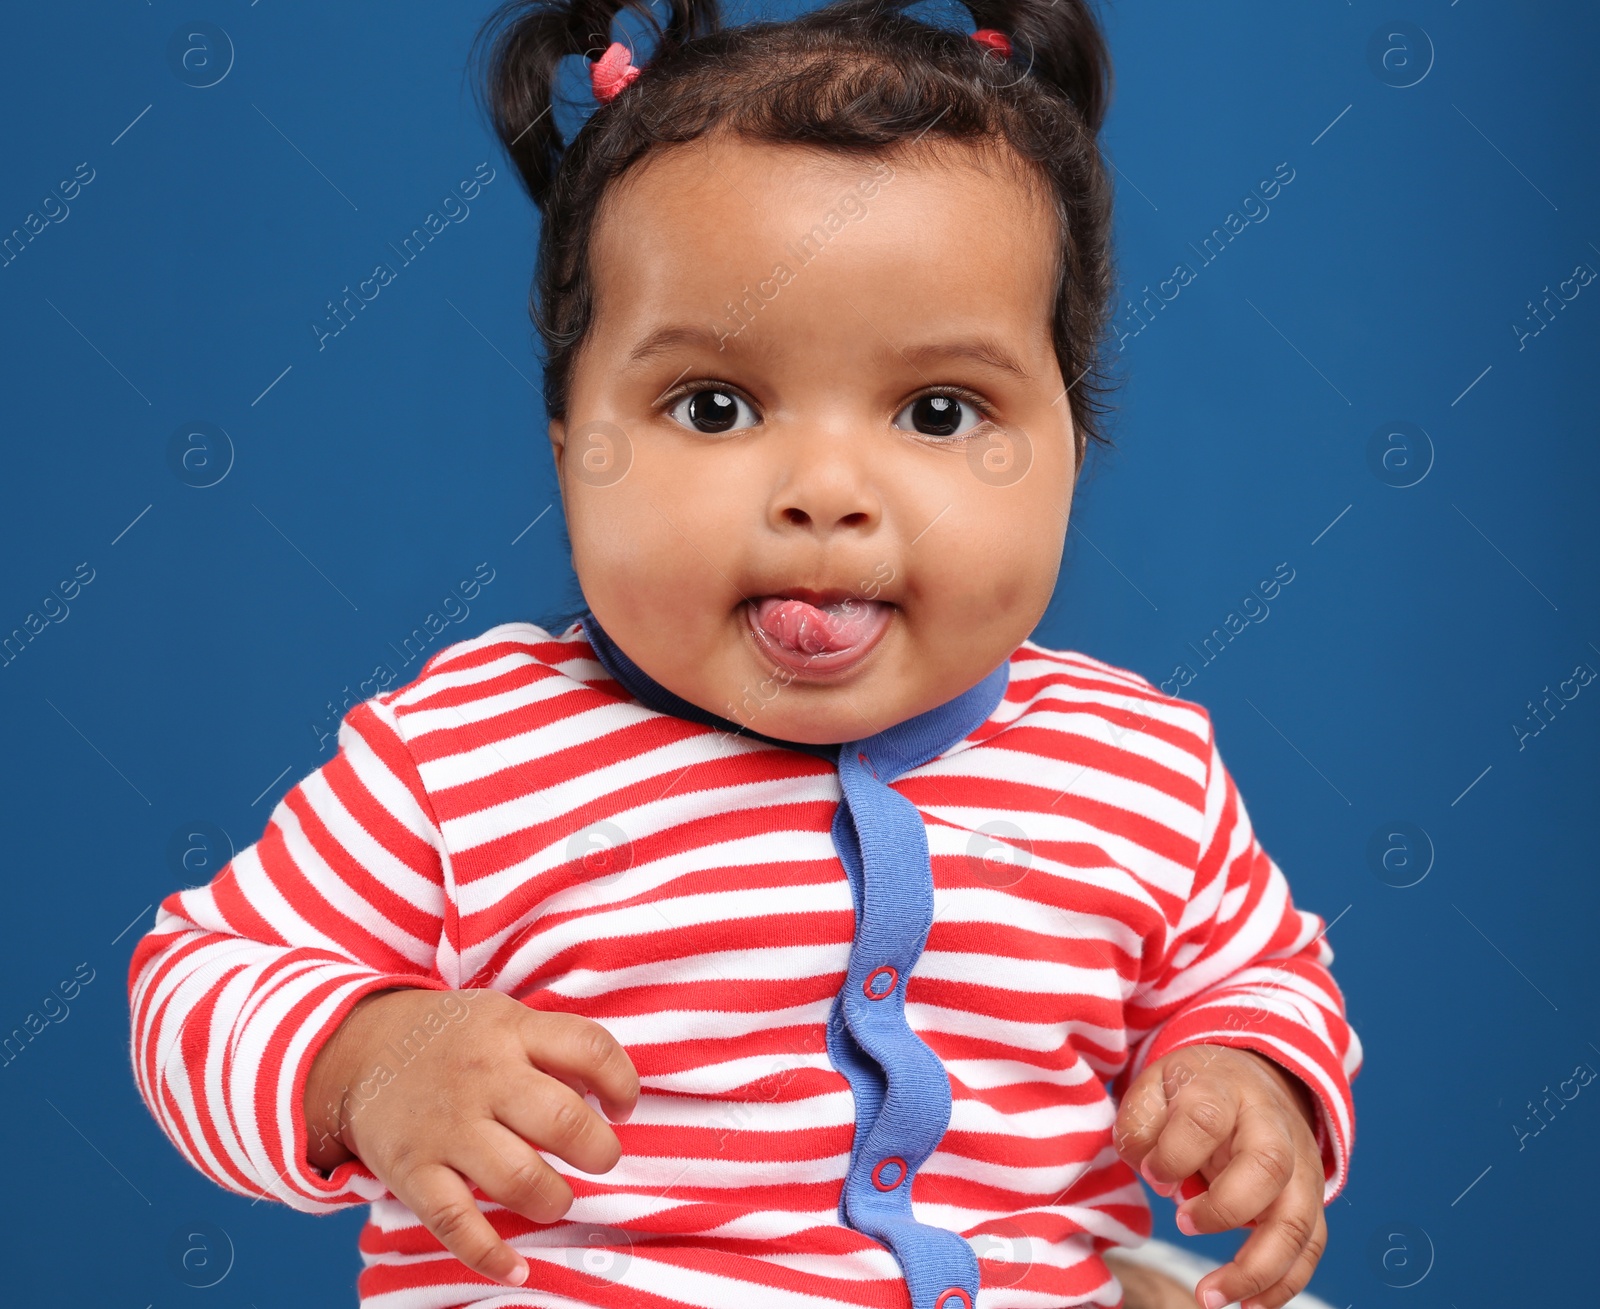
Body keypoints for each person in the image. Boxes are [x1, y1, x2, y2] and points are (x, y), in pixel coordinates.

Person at [126, 1, 1362, 1306]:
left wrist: (1247, 1075)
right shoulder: (465, 754)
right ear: (569, 448)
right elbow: (200, 984)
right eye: (713, 406)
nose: (825, 491)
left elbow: (1258, 973)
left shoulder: (1140, 771)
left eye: (939, 410)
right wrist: (362, 1059)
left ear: (1070, 449)